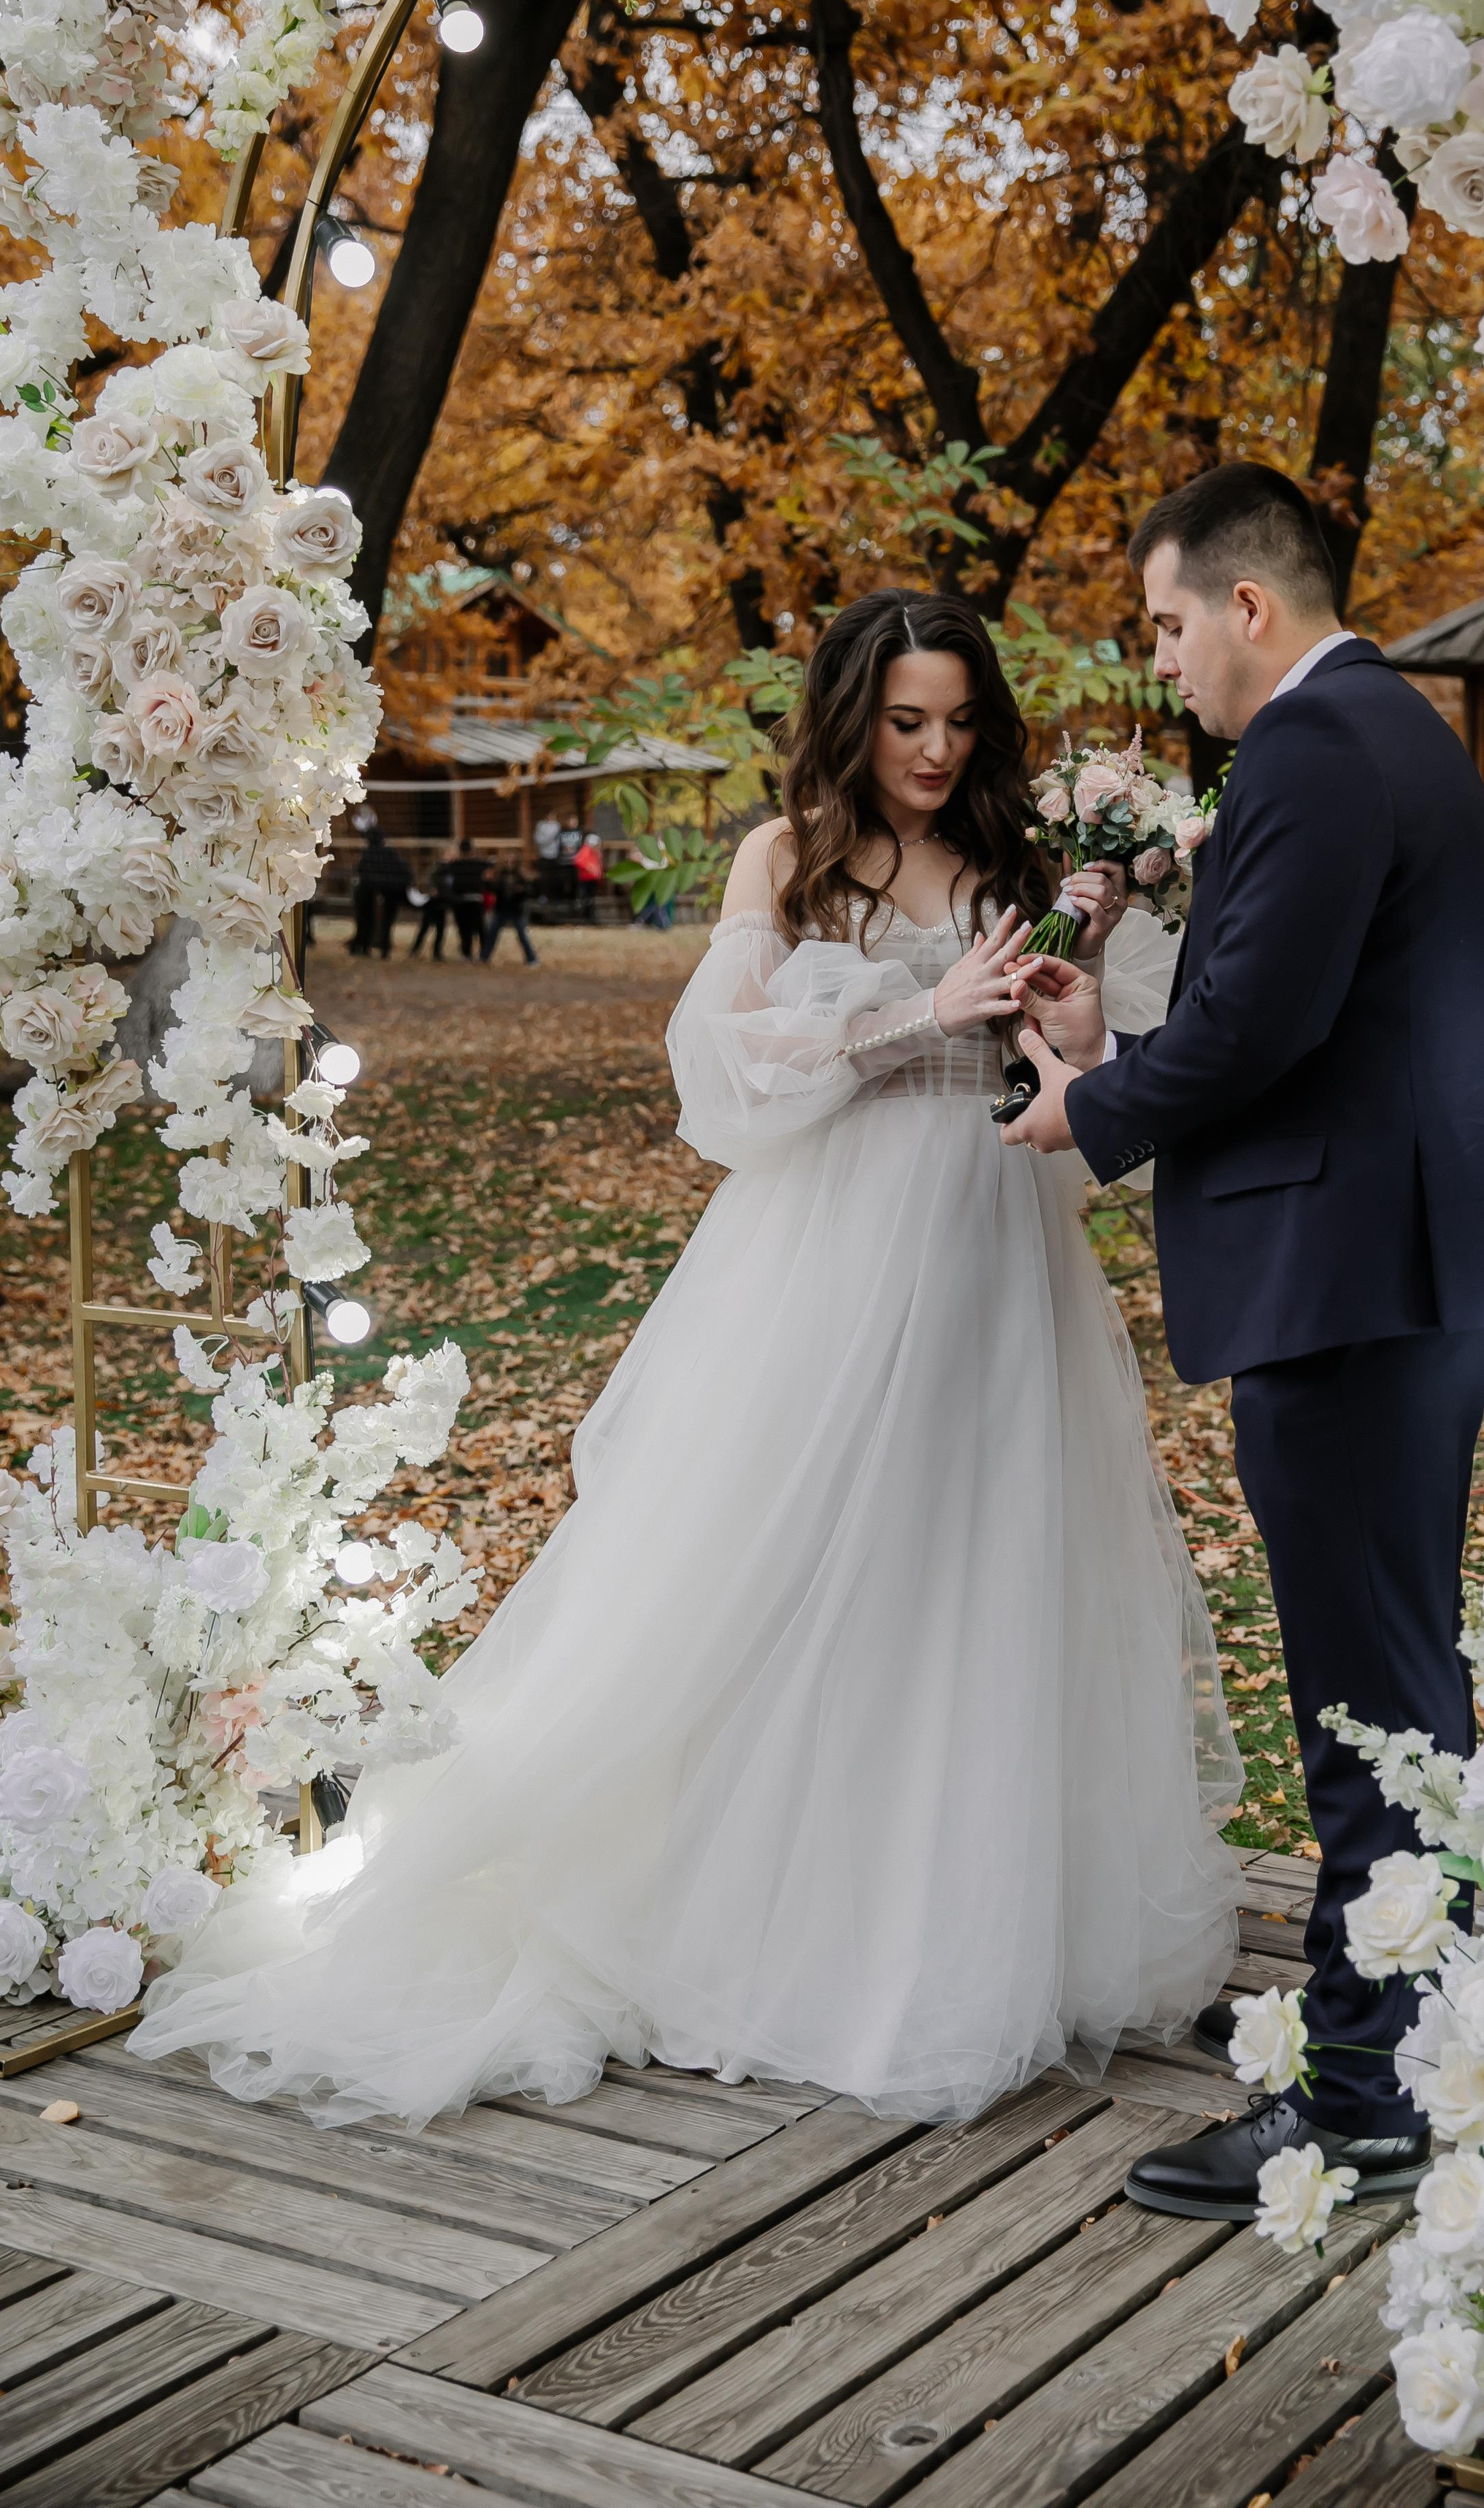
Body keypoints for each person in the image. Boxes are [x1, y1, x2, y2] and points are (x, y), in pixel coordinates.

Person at [128, 589, 1242, 2131]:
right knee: (768, 1560)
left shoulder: (1021, 867)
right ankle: (750, 1911)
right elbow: (719, 1074)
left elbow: (1105, 1083)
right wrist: (922, 1001)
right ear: (852, 717)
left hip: (994, 1240)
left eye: (958, 721)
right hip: (830, 1246)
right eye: (904, 720)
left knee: (975, 1560)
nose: (932, 750)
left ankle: (949, 1918)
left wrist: (1069, 989)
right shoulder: (781, 861)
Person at [1004, 462, 1484, 2220]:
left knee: (1359, 1704)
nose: (1160, 662)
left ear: (1247, 606)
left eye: (1166, 623)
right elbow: (1300, 1012)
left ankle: (1361, 2094)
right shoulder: (1397, 740)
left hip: (1345, 1283)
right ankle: (1439, 2034)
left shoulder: (1309, 748)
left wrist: (1088, 1104)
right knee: (1401, 1682)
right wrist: (1132, 1032)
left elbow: (1253, 1038)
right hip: (1406, 1266)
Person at [348, 827, 410, 961]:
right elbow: (404, 870)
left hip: (374, 891)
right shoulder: (390, 854)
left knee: (365, 920)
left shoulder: (368, 855)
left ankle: (363, 946)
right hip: (388, 891)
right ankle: (381, 949)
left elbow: (362, 873)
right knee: (383, 922)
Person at [481, 857, 539, 966]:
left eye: (512, 862)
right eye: (508, 861)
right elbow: (493, 889)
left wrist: (522, 890)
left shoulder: (521, 877)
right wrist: (487, 882)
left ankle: (532, 959)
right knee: (492, 934)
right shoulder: (500, 877)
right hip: (502, 909)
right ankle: (484, 957)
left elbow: (530, 892)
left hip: (516, 910)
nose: (509, 864)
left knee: (523, 936)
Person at [572, 830, 604, 921]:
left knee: (591, 898)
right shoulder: (586, 850)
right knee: (587, 898)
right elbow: (578, 861)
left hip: (593, 879)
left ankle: (590, 915)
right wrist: (589, 867)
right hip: (586, 878)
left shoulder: (596, 852)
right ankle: (587, 916)